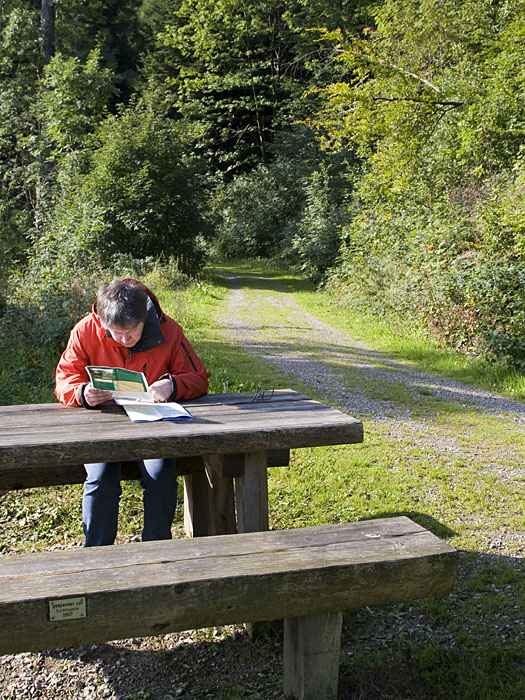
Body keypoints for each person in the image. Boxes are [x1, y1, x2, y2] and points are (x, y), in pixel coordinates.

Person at [55, 278, 209, 547]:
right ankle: (97, 552)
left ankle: (156, 547)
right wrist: (82, 392)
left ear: (144, 318)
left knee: (160, 473)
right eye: (116, 333)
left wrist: (172, 385)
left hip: (153, 423)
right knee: (101, 477)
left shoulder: (169, 331)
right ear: (102, 322)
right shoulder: (85, 330)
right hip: (103, 424)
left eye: (132, 331)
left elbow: (198, 377)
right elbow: (65, 378)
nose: (125, 339)